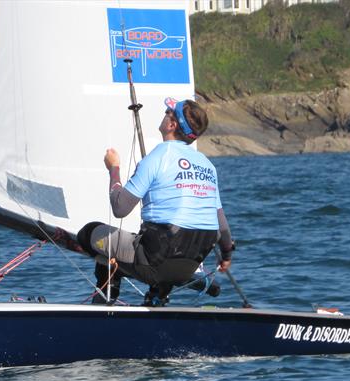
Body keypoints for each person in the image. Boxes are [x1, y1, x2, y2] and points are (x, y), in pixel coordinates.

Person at [77, 97, 234, 305]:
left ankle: (109, 295)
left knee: (89, 233)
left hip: (154, 262)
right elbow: (223, 228)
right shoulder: (208, 166)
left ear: (172, 125)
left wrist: (113, 168)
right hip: (187, 266)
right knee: (160, 242)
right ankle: (156, 297)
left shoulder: (157, 157)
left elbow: (120, 207)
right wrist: (226, 256)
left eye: (168, 112)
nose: (165, 114)